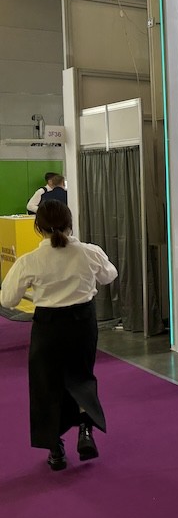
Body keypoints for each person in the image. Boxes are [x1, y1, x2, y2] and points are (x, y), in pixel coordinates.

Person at [0, 201, 118, 471]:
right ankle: (85, 430)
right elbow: (109, 276)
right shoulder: (89, 252)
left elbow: (7, 300)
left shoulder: (30, 260)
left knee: (46, 385)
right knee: (82, 377)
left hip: (48, 327)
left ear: (38, 227)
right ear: (70, 223)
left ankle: (55, 449)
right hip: (82, 324)